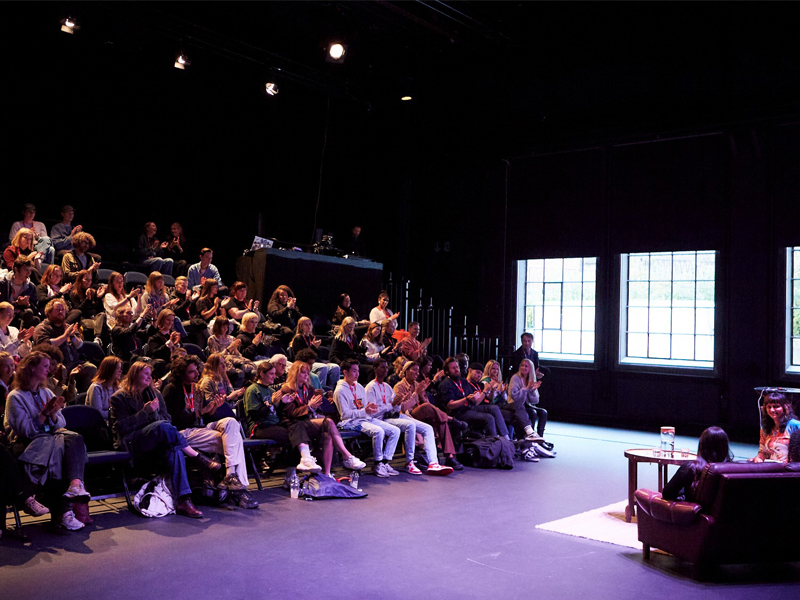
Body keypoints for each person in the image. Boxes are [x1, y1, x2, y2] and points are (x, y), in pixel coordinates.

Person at [109, 361, 218, 518]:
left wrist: (154, 417)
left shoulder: (155, 394)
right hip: (133, 442)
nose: (149, 377)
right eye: (145, 373)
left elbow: (167, 419)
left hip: (157, 441)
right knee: (162, 427)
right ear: (134, 374)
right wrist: (145, 412)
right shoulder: (119, 397)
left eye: (150, 374)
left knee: (175, 451)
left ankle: (184, 500)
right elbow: (121, 427)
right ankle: (196, 456)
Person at [3, 351, 92, 529]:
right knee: (61, 449)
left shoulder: (46, 392)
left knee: (73, 440)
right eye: (44, 366)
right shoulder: (15, 397)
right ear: (32, 368)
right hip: (26, 444)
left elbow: (61, 422)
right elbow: (25, 431)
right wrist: (44, 414)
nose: (48, 369)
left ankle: (74, 485)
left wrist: (52, 415)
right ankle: (64, 511)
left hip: (49, 438)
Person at [162, 355, 257, 509]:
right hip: (182, 433)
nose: (196, 374)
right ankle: (240, 490)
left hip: (200, 429)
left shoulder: (197, 389)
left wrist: (213, 408)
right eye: (191, 372)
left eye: (196, 370)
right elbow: (173, 420)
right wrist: (199, 413)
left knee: (231, 423)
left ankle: (230, 475)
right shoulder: (171, 389)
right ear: (181, 373)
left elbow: (206, 415)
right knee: (233, 441)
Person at [274, 360, 366, 477]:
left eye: (307, 373)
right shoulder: (286, 390)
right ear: (295, 373)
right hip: (294, 424)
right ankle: (347, 456)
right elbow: (291, 414)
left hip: (308, 422)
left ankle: (327, 473)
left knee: (327, 434)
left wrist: (314, 410)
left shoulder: (310, 389)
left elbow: (317, 410)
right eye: (303, 373)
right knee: (328, 422)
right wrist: (309, 407)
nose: (306, 376)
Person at [366, 358, 453, 476]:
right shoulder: (371, 387)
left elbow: (397, 408)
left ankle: (433, 463)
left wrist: (397, 403)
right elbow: (373, 412)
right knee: (410, 424)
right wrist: (393, 404)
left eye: (386, 367)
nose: (386, 370)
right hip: (381, 419)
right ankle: (409, 462)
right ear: (375, 369)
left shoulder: (387, 386)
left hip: (395, 415)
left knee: (428, 428)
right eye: (382, 367)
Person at [334, 359, 401, 477]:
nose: (357, 374)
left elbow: (365, 408)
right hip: (350, 422)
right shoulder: (340, 390)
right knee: (378, 431)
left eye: (358, 371)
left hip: (365, 418)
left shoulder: (359, 387)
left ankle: (384, 462)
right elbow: (345, 415)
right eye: (354, 371)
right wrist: (364, 411)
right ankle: (377, 463)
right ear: (345, 372)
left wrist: (370, 409)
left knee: (395, 430)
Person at [393, 359, 463, 470]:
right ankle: (450, 418)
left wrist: (422, 393)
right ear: (406, 371)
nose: (417, 373)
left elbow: (427, 403)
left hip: (423, 413)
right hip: (408, 414)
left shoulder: (417, 384)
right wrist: (416, 393)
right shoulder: (399, 386)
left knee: (441, 421)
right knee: (428, 409)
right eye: (414, 370)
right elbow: (401, 407)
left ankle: (449, 456)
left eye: (418, 370)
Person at [438, 357, 510, 439]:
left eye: (457, 367)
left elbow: (476, 402)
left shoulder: (463, 381)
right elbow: (450, 405)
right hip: (459, 412)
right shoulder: (446, 384)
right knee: (489, 418)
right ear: (447, 371)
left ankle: (506, 438)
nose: (456, 369)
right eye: (453, 368)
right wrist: (467, 399)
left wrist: (477, 396)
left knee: (494, 408)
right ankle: (494, 443)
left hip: (470, 407)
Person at [663, 426, 732, 501]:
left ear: (702, 445)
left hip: (693, 512)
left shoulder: (690, 468)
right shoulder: (735, 470)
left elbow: (667, 494)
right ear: (725, 446)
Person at [507, 359, 552, 447]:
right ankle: (528, 437)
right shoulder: (515, 378)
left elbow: (535, 401)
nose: (523, 367)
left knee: (543, 412)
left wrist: (532, 391)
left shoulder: (531, 379)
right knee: (532, 412)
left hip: (526, 404)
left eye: (526, 366)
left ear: (530, 369)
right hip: (514, 404)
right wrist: (526, 389)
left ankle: (539, 439)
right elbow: (515, 397)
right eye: (522, 365)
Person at [291, 316, 339, 388]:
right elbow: (301, 356)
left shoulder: (311, 337)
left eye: (310, 324)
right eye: (306, 324)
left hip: (315, 362)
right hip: (304, 364)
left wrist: (316, 348)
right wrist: (313, 347)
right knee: (323, 367)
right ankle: (318, 390)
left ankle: (331, 389)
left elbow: (316, 355)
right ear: (301, 326)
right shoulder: (298, 339)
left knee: (335, 367)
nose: (309, 326)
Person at [196, 353, 247, 421]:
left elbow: (231, 392)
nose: (224, 365)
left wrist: (236, 395)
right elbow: (210, 404)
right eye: (220, 363)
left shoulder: (223, 378)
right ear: (213, 366)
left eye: (224, 363)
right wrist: (229, 398)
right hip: (216, 414)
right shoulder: (207, 381)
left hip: (229, 408)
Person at [752, 392, 800, 463]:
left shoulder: (794, 425)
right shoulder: (765, 428)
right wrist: (758, 458)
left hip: (790, 469)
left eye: (776, 406)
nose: (772, 410)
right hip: (772, 467)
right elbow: (762, 452)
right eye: (769, 407)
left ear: (785, 408)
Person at [330, 317, 373, 382]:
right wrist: (342, 364)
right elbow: (332, 356)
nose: (351, 329)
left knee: (374, 366)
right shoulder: (338, 339)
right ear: (344, 326)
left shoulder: (352, 337)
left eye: (353, 328)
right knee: (370, 369)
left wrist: (363, 347)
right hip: (347, 363)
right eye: (350, 327)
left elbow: (356, 350)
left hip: (355, 361)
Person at [86, 356, 123, 421]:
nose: (120, 371)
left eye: (120, 368)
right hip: (97, 424)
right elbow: (98, 413)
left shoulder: (118, 387)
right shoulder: (96, 388)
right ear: (109, 370)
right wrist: (117, 413)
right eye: (118, 368)